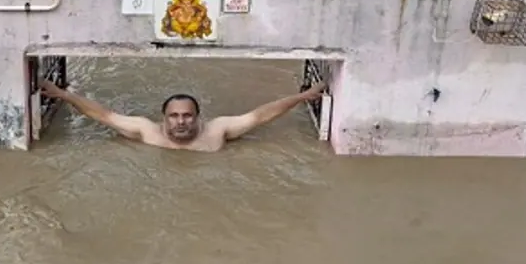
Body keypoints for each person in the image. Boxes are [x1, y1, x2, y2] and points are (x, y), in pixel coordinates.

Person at [38, 78, 328, 151]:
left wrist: (301, 97)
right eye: (174, 116)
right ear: (163, 119)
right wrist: (64, 95)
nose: (181, 121)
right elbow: (103, 115)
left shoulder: (217, 131)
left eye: (187, 116)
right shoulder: (146, 131)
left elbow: (260, 116)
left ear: (198, 118)